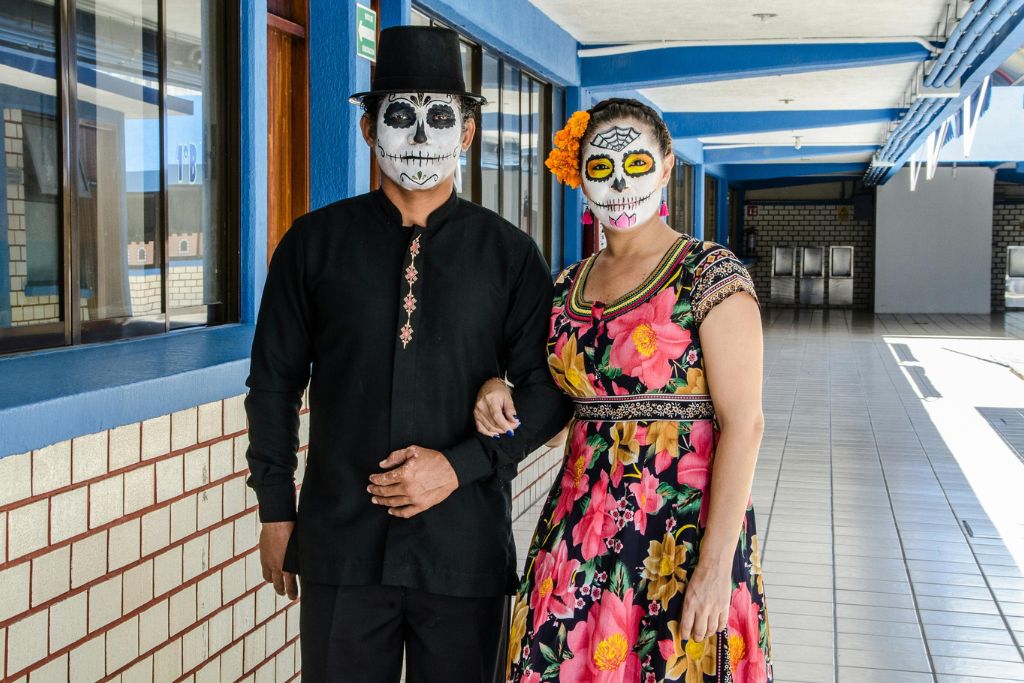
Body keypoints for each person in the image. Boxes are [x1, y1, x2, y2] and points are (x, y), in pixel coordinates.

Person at [243, 26, 571, 683]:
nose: (420, 138)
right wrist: (276, 509)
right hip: (342, 544)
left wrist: (459, 465)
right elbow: (273, 383)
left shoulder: (509, 255)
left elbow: (550, 392)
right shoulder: (313, 245)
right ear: (368, 130)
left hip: (464, 549)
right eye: (400, 116)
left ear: (468, 134)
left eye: (440, 118)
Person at [474, 99, 774, 682]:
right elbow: (554, 393)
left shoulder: (708, 273)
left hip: (680, 538)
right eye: (600, 166)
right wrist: (495, 386)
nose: (617, 183)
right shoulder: (565, 288)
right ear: (577, 174)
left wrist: (717, 563)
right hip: (578, 529)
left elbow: (746, 423)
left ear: (665, 167)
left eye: (636, 165)